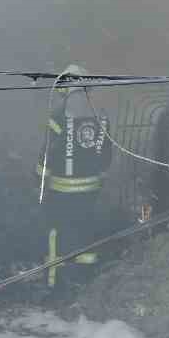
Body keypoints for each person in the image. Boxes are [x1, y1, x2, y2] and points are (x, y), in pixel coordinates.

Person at [37, 67, 112, 287]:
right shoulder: (101, 114)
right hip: (91, 188)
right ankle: (85, 279)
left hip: (61, 188)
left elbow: (48, 152)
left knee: (56, 230)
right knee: (85, 228)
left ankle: (54, 281)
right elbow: (106, 152)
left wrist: (39, 180)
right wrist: (100, 177)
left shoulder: (59, 115)